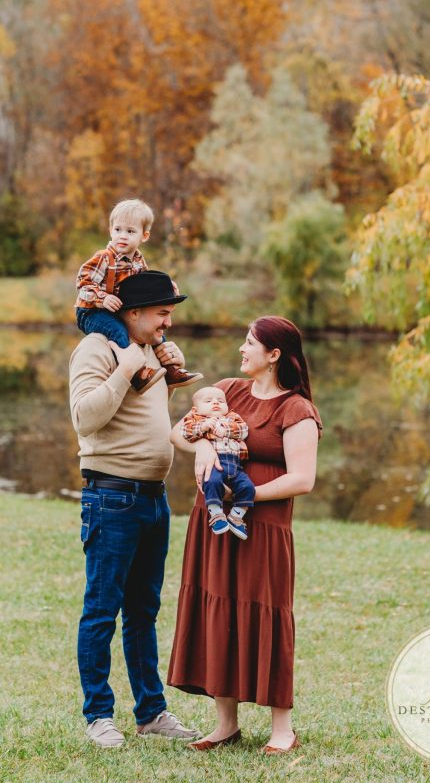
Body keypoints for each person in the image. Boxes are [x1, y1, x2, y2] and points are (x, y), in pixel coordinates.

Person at [167, 316, 322, 754]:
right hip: (213, 523)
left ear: (274, 355)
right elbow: (178, 429)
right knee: (218, 609)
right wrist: (200, 445)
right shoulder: (228, 390)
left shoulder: (296, 409)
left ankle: (281, 729)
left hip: (264, 528)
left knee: (266, 613)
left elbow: (303, 479)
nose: (242, 349)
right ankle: (225, 725)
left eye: (250, 343)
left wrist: (247, 497)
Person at [69, 270, 200, 749]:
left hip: (153, 497)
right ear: (134, 313)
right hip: (112, 497)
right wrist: (125, 368)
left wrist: (172, 378)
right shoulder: (98, 350)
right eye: (162, 313)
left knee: (143, 611)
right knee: (102, 609)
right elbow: (85, 417)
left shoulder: (150, 351)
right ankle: (99, 715)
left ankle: (151, 712)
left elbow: (141, 414)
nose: (168, 322)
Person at [75, 198, 202, 393]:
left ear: (144, 235)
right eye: (117, 230)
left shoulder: (137, 260)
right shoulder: (103, 257)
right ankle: (137, 374)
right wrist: (102, 298)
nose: (122, 236)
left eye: (130, 231)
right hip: (92, 311)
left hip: (117, 309)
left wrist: (169, 288)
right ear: (110, 230)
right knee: (118, 331)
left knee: (159, 336)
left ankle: (171, 371)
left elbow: (146, 282)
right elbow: (82, 283)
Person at [181, 386, 254, 540]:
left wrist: (227, 430)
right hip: (215, 464)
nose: (215, 403)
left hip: (235, 465)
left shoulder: (232, 417)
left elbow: (244, 430)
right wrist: (202, 427)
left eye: (220, 401)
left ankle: (236, 517)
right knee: (211, 482)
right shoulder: (196, 419)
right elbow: (185, 432)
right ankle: (216, 515)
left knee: (247, 487)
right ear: (196, 408)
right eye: (208, 401)